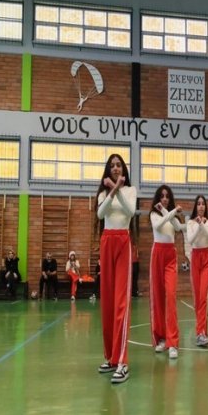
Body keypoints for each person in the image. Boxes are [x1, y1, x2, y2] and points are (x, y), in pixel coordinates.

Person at [95, 153, 136, 384]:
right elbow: (101, 213)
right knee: (108, 304)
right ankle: (111, 358)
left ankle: (122, 362)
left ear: (124, 169)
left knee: (121, 303)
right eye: (112, 166)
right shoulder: (103, 192)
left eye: (119, 165)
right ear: (108, 170)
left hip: (123, 242)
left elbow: (130, 211)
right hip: (106, 242)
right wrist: (111, 190)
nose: (116, 168)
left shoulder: (130, 190)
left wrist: (118, 189)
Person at [149, 184, 185, 360]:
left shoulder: (170, 216)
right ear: (158, 198)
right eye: (162, 196)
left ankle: (173, 342)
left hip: (170, 256)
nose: (164, 199)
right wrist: (170, 211)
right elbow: (158, 225)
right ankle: (161, 339)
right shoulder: (154, 214)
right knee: (158, 298)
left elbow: (178, 228)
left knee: (170, 296)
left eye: (167, 196)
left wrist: (171, 212)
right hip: (157, 255)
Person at [187, 195, 208, 348]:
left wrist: (203, 225)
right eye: (198, 204)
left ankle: (200, 333)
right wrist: (198, 225)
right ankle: (203, 332)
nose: (201, 206)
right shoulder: (190, 223)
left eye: (203, 204)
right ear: (195, 207)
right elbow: (191, 240)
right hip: (195, 258)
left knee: (203, 297)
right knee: (197, 299)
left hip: (206, 260)